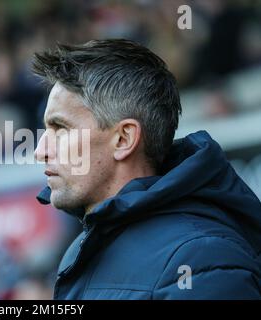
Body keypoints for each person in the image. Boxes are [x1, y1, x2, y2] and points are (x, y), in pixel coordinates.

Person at [32, 39, 261, 299]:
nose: (41, 151)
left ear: (124, 139)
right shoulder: (79, 250)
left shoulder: (203, 261)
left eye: (60, 128)